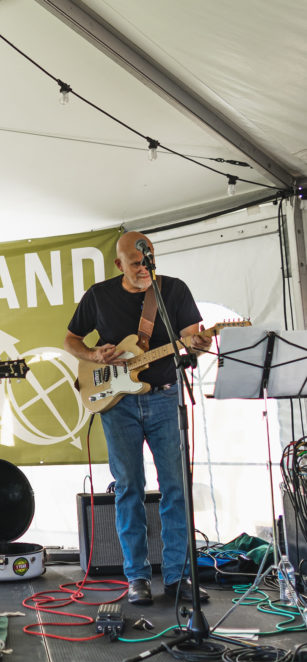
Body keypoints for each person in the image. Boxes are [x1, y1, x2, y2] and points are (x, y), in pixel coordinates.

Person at [64, 230, 212, 605]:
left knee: (175, 488)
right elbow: (71, 339)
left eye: (148, 261)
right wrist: (95, 355)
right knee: (129, 487)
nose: (143, 269)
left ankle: (178, 577)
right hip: (119, 404)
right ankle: (137, 578)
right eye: (135, 263)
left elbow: (191, 336)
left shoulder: (173, 291)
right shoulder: (99, 295)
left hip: (165, 399)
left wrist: (200, 341)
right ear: (119, 264)